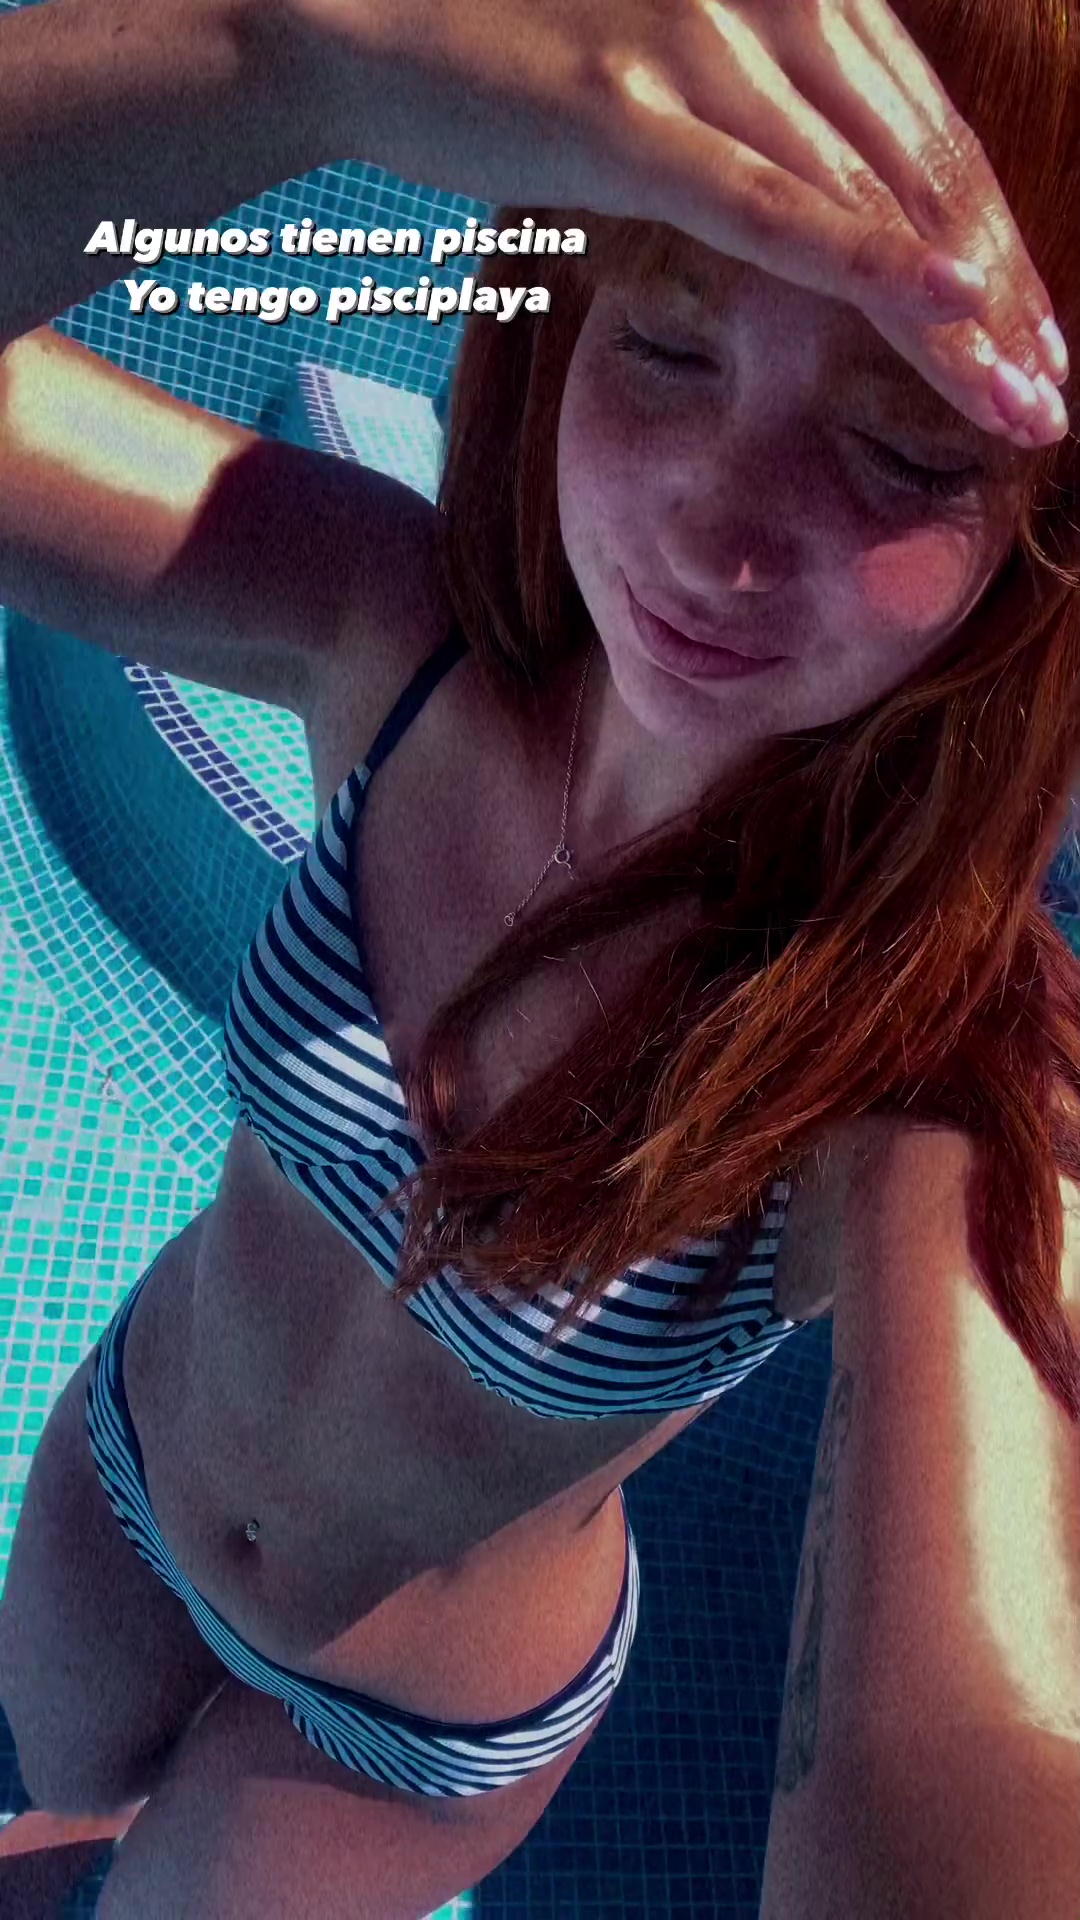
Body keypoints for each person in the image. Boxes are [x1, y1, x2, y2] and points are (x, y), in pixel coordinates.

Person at [0, 0, 1078, 1913]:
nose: (714, 527)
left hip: (396, 1735)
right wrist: (288, 53)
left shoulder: (923, 1053)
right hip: (129, 1470)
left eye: (901, 451)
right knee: (59, 1819)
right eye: (665, 340)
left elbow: (972, 1754)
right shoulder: (388, 638)